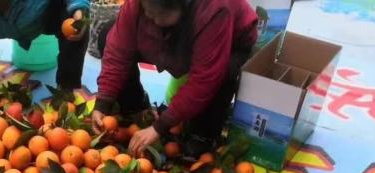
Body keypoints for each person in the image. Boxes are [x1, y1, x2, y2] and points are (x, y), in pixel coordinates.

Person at [92, 0, 258, 157]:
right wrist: (103, 102)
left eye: (159, 15)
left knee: (222, 73)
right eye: (148, 12)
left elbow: (205, 80)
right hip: (169, 39)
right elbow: (118, 52)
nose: (152, 19)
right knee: (109, 32)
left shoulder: (214, 9)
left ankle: (203, 134)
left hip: (225, 42)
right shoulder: (139, 5)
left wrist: (160, 127)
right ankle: (135, 106)